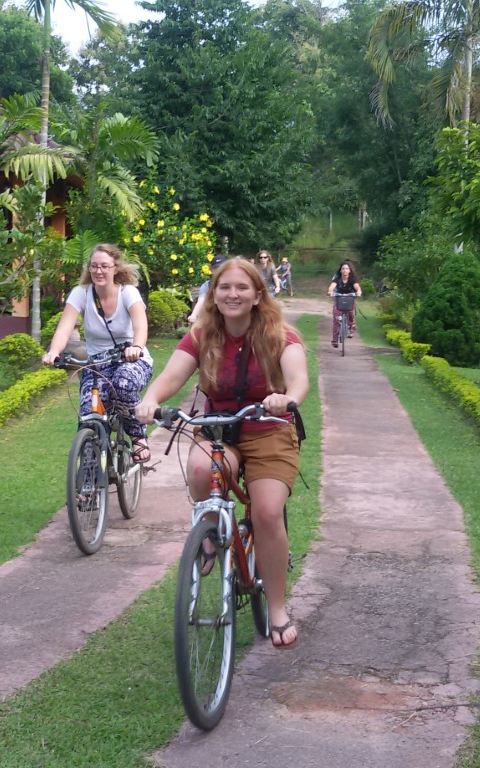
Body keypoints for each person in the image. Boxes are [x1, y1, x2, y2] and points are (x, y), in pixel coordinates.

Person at [135, 257, 309, 649]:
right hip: (219, 428)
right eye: (224, 287)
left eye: (242, 287)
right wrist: (151, 399)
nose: (233, 294)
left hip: (268, 428)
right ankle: (210, 533)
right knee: (201, 470)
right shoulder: (203, 335)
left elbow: (298, 378)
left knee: (267, 513)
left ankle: (277, 608)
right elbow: (171, 376)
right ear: (213, 294)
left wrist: (288, 398)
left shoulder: (279, 334)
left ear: (258, 295)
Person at [43, 244, 154, 462]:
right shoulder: (81, 293)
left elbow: (141, 326)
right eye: (94, 266)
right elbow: (64, 328)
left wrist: (136, 347)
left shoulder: (127, 292)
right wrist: (54, 352)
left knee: (123, 384)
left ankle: (138, 436)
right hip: (97, 365)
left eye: (104, 266)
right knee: (88, 417)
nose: (99, 271)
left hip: (130, 359)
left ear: (115, 268)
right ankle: (89, 477)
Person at [327, 259, 362, 348]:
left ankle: (351, 327)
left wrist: (358, 291)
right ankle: (335, 339)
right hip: (339, 299)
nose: (345, 270)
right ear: (340, 270)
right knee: (336, 319)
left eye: (346, 269)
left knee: (350, 312)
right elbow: (332, 286)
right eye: (343, 269)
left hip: (350, 299)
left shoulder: (352, 279)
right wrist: (330, 291)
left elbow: (357, 287)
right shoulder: (337, 279)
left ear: (349, 270)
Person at [187, 253, 228, 325]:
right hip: (213, 318)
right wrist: (194, 315)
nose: (219, 271)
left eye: (222, 268)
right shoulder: (207, 286)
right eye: (216, 268)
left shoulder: (233, 283)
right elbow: (201, 301)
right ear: (211, 270)